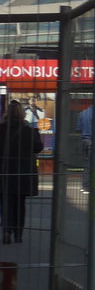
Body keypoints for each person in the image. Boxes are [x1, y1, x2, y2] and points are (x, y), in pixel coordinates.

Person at [0, 99, 44, 244]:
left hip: (4, 171)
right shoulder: (29, 131)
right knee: (20, 204)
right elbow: (37, 148)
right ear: (22, 114)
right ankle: (18, 234)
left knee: (6, 203)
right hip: (23, 173)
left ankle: (6, 230)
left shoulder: (1, 129)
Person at [76, 103, 94, 193]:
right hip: (92, 140)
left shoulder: (82, 113)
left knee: (86, 164)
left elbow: (78, 128)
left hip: (84, 140)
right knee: (92, 165)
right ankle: (89, 186)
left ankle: (84, 186)